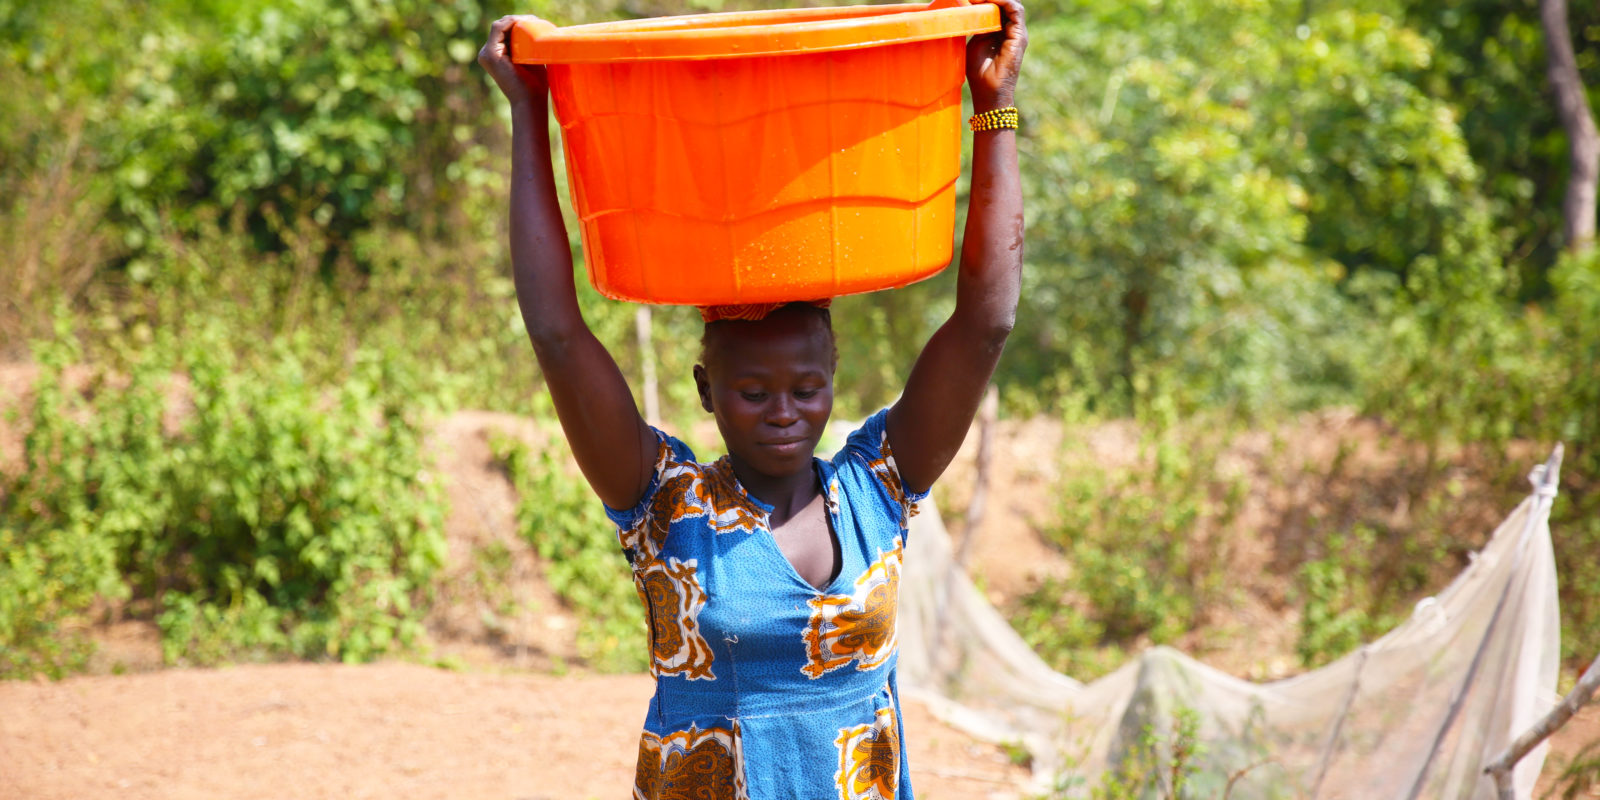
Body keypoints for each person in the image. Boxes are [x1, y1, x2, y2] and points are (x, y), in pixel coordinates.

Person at [478, 1, 1026, 795]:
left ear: (834, 379)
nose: (783, 410)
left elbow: (987, 322)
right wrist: (529, 113)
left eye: (807, 388)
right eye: (752, 390)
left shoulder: (879, 486)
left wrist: (994, 106)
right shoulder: (665, 504)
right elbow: (558, 336)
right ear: (707, 391)